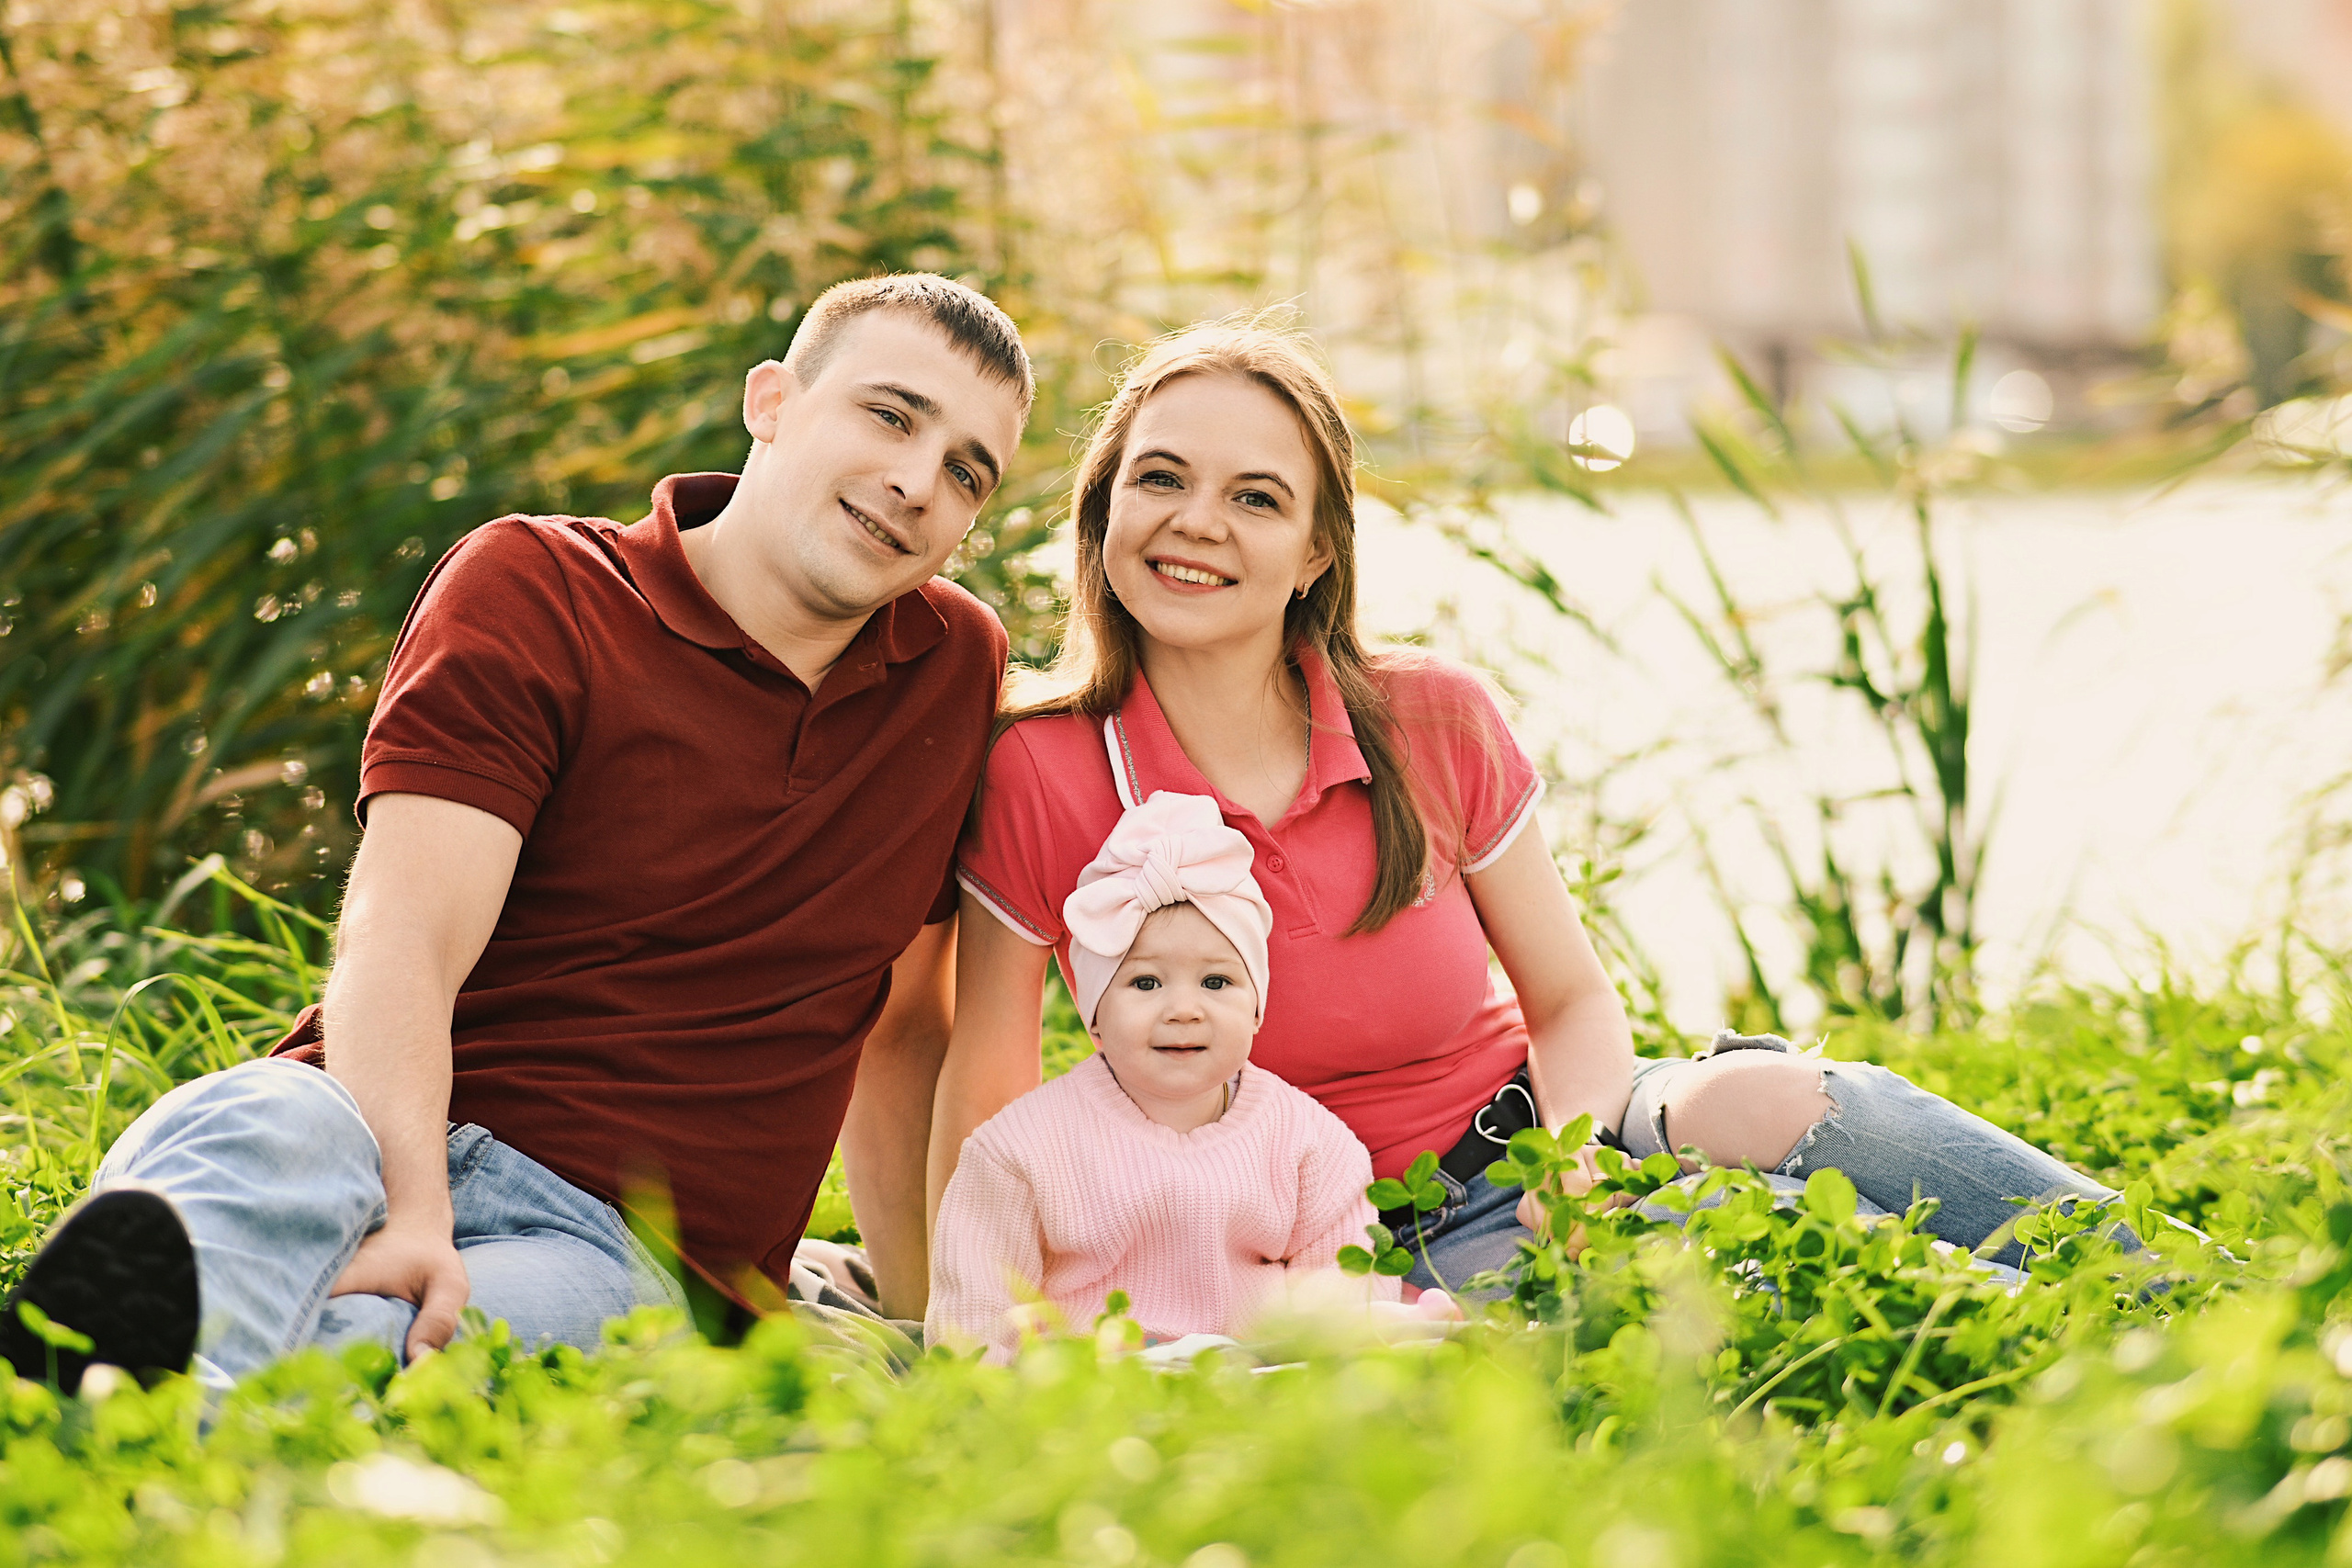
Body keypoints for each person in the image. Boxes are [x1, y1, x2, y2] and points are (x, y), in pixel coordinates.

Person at [929, 320, 2132, 1304]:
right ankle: (2060, 1331)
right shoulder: (1045, 764)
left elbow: (1566, 998)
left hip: (1552, 1128)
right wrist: (969, 1320)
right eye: (1161, 478)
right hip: (1343, 1245)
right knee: (1785, 1262)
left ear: (1313, 554)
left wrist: (1573, 1161)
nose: (1198, 521)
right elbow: (985, 1088)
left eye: (1255, 496)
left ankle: (2188, 1294)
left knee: (1806, 1102)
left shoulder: (1429, 716)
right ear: (1103, 512)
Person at [1, 274, 1031, 1393]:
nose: (917, 483)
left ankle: (109, 1400)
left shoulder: (952, 675)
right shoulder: (541, 587)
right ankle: (129, 1372)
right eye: (890, 415)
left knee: (414, 1359)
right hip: (357, 1128)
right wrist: (411, 1212)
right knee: (258, 1115)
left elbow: (903, 1028)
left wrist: (939, 1319)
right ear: (772, 401)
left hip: (621, 1243)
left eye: (967, 471)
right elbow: (404, 935)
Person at [926, 791, 1403, 1361]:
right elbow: (977, 1314)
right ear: (1095, 1009)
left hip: (1258, 1386)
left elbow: (1349, 1288)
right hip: (1092, 1392)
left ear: (1257, 1007)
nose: (1184, 1009)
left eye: (1217, 983)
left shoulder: (1312, 1146)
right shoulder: (1019, 1152)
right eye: (1147, 983)